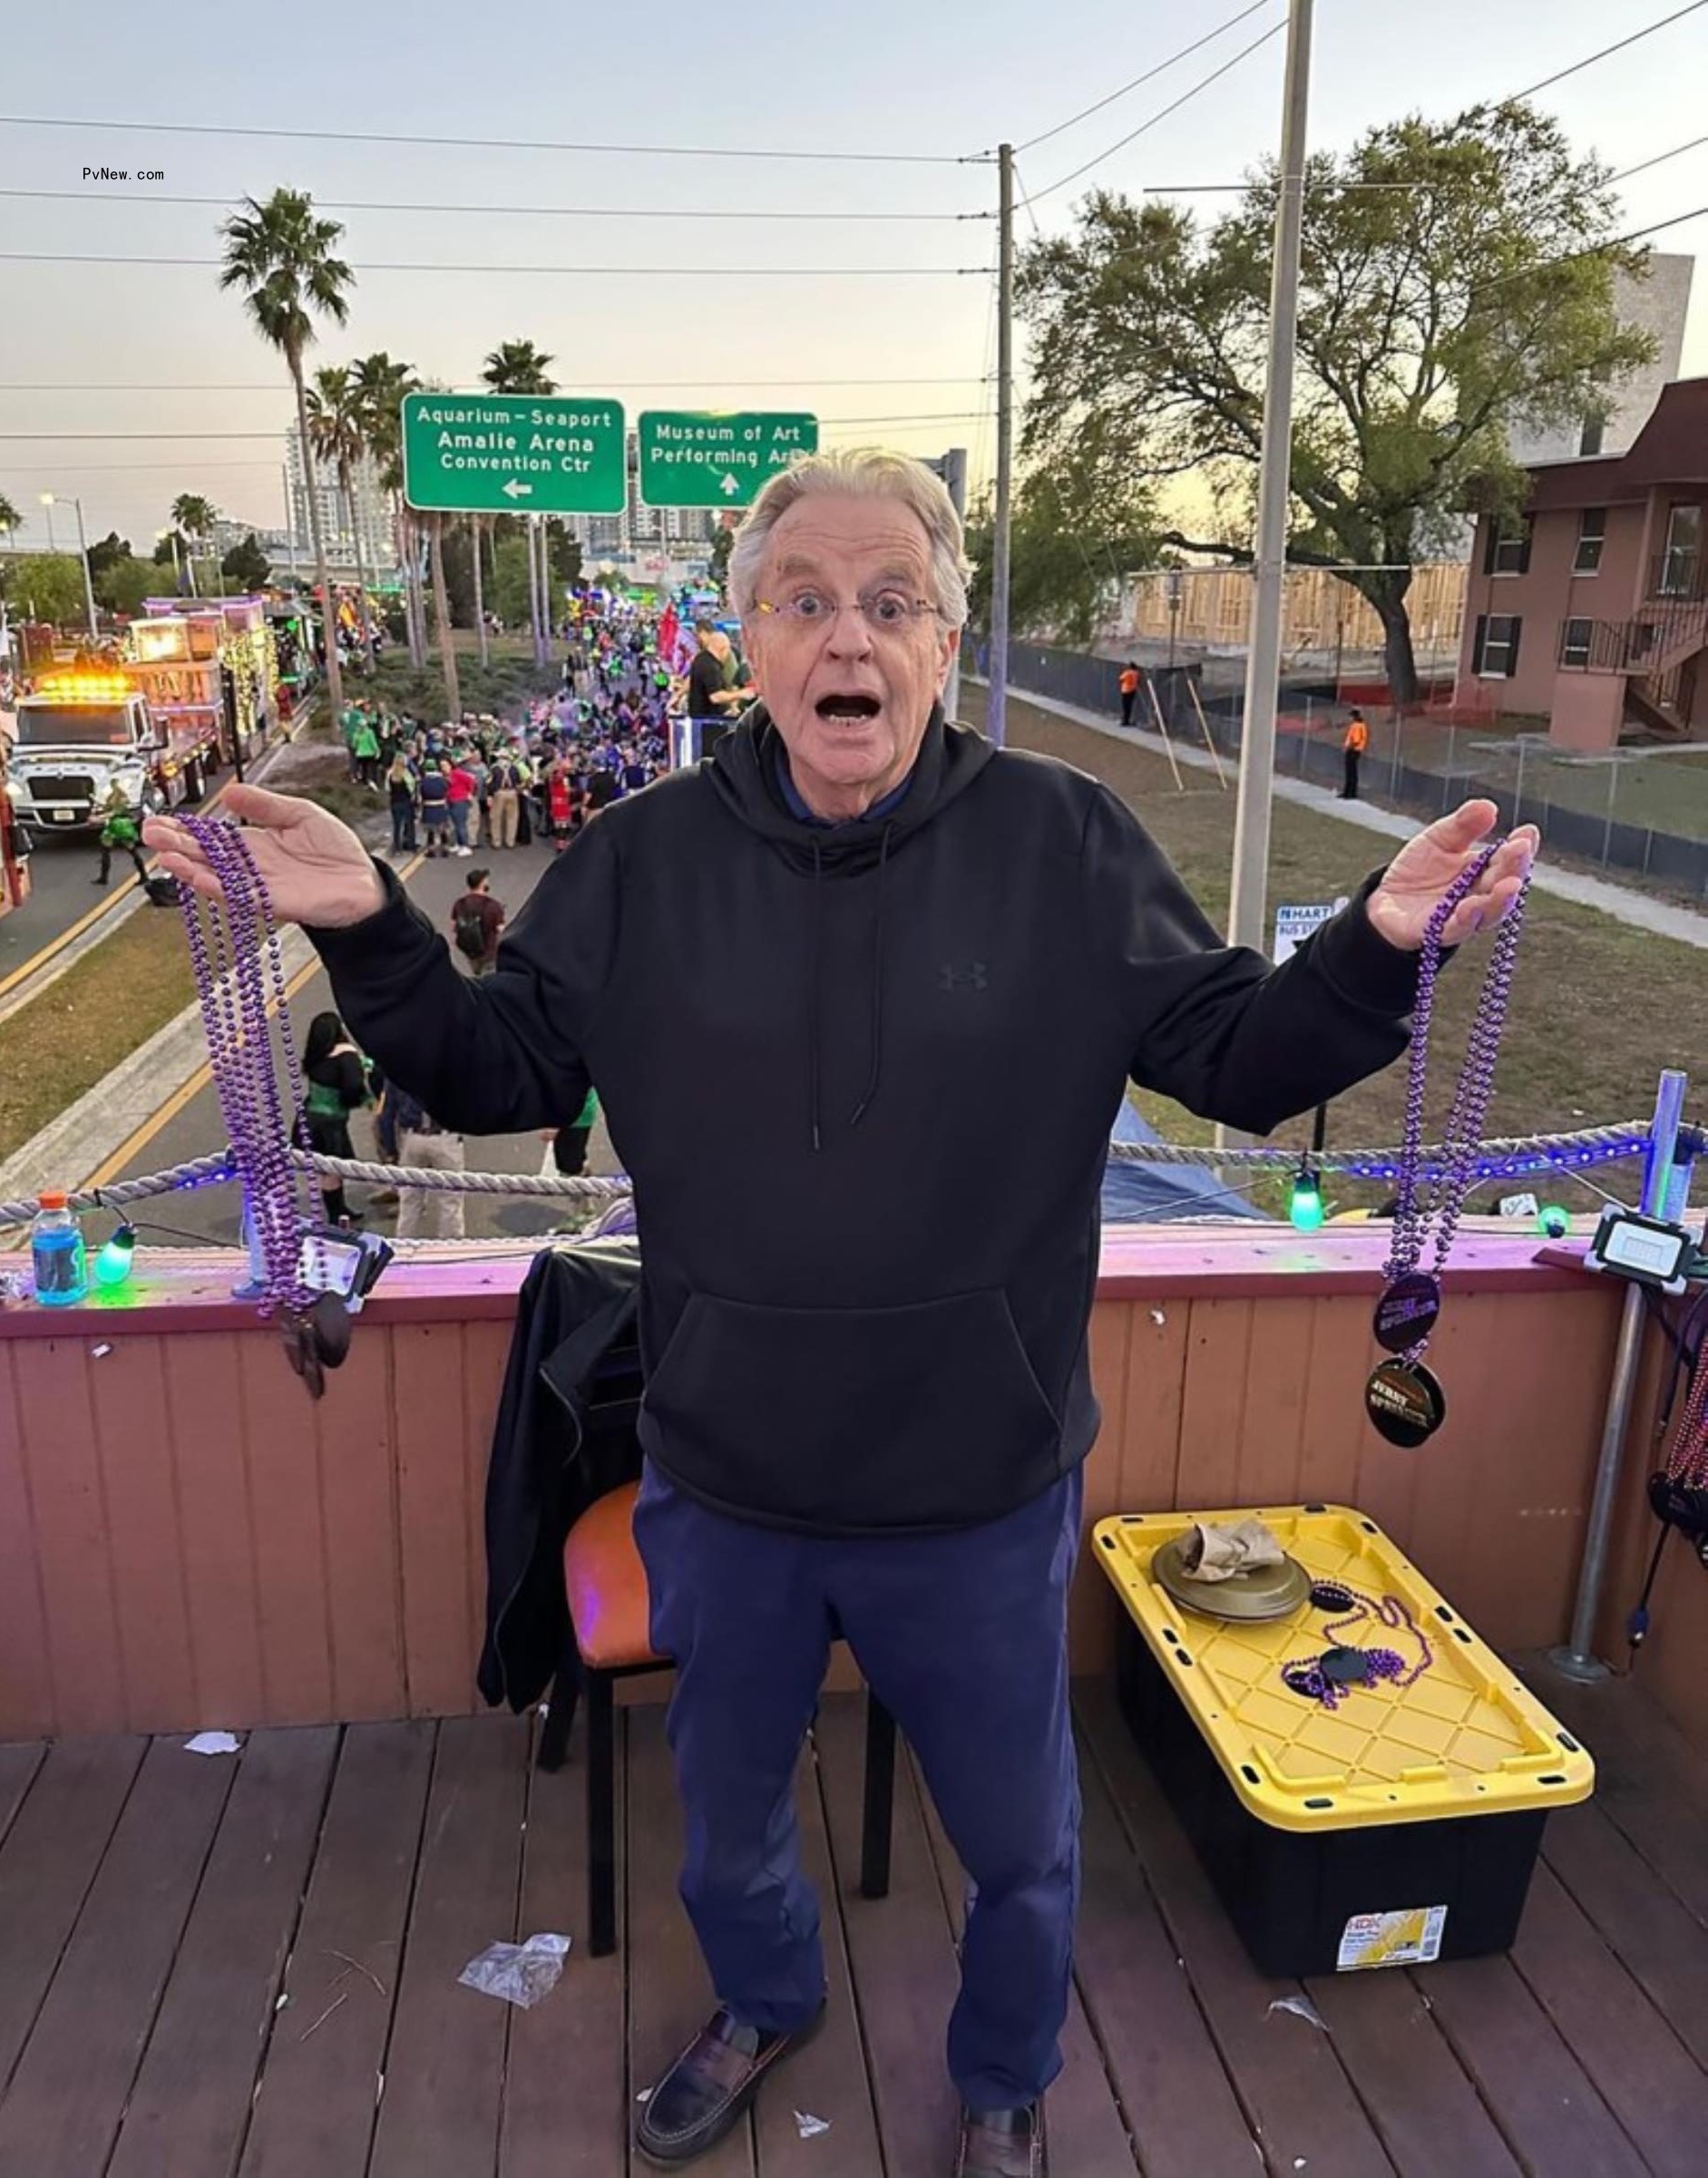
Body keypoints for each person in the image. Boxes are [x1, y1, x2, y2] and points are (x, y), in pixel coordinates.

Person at [147, 449, 1537, 2178]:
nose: (848, 635)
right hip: (726, 1481)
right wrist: (367, 923)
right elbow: (496, 1061)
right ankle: (763, 1997)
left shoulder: (1065, 843)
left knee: (1023, 1850)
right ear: (748, 639)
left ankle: (1008, 2076)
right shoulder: (643, 860)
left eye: (892, 602)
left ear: (949, 641)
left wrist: (1381, 953)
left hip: (979, 1487)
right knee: (727, 1832)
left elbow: (1235, 1065)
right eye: (805, 599)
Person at [297, 1010, 367, 1228]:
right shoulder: (345, 1055)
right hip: (330, 1123)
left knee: (326, 1169)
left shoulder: (316, 1056)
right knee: (332, 1170)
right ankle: (337, 1214)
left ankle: (338, 1208)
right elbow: (353, 1087)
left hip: (309, 1119)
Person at [388, 1079, 466, 1240]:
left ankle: (404, 1248)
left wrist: (390, 1150)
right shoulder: (453, 1065)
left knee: (409, 1200)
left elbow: (388, 1111)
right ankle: (450, 1251)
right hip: (445, 1137)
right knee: (450, 1200)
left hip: (412, 1137)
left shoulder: (400, 1065)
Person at [451, 866, 504, 977]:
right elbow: (500, 929)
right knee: (489, 978)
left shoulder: (460, 904)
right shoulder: (493, 906)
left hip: (470, 951)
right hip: (489, 952)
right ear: (482, 884)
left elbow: (454, 927)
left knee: (477, 973)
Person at [93, 782, 150, 888]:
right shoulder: (124, 797)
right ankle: (144, 875)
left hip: (116, 825)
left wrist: (99, 818)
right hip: (124, 825)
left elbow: (113, 812)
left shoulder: (116, 799)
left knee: (106, 850)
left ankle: (104, 877)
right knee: (132, 850)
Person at [488, 748, 525, 850]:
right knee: (512, 818)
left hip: (499, 792)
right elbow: (519, 781)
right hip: (512, 792)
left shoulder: (494, 768)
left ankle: (496, 842)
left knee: (496, 818)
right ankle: (510, 841)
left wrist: (490, 795)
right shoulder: (514, 768)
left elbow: (489, 783)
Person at [445, 750, 478, 855]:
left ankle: (465, 846)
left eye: (445, 765)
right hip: (451, 800)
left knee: (461, 824)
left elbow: (471, 781)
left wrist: (469, 793)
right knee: (455, 824)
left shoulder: (458, 773)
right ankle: (458, 844)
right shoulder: (448, 775)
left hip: (460, 801)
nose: (443, 768)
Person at [417, 757, 451, 857]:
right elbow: (447, 790)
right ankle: (445, 848)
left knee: (430, 830)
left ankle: (431, 850)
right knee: (442, 829)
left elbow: (420, 795)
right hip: (440, 806)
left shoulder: (423, 781)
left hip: (428, 806)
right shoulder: (443, 780)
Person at [386, 751, 418, 853]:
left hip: (394, 801)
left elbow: (387, 788)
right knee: (409, 824)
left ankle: (397, 847)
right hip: (406, 801)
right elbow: (411, 787)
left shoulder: (390, 773)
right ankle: (411, 845)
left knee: (397, 825)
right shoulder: (406, 773)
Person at [1342, 708, 1370, 801]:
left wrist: (1348, 747)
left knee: (1351, 772)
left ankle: (1351, 793)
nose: (1350, 718)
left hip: (1353, 750)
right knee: (1350, 772)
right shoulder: (1358, 725)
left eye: (1351, 716)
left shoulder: (1357, 726)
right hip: (1354, 750)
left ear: (1355, 716)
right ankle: (1347, 792)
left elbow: (1356, 740)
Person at [352, 712, 382, 788]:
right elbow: (373, 743)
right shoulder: (369, 732)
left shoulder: (356, 734)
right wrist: (377, 751)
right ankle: (373, 782)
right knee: (372, 768)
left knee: (364, 769)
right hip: (370, 753)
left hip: (360, 754)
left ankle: (365, 783)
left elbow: (354, 745)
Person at [1118, 660, 1142, 728]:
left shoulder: (1127, 673)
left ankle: (1125, 720)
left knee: (1125, 706)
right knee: (1130, 705)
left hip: (1126, 690)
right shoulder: (1136, 673)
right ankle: (1128, 719)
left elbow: (1120, 679)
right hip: (1133, 690)